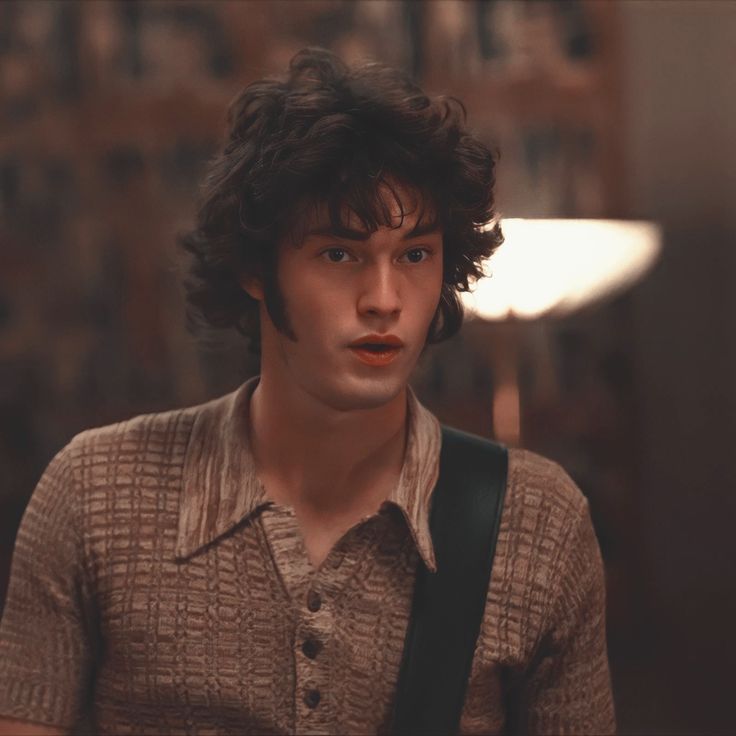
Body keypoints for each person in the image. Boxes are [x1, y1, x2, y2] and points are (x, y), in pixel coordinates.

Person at [0, 48, 615, 735]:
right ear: (258, 269)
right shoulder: (95, 491)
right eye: (339, 253)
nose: (384, 300)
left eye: (415, 255)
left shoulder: (536, 521)